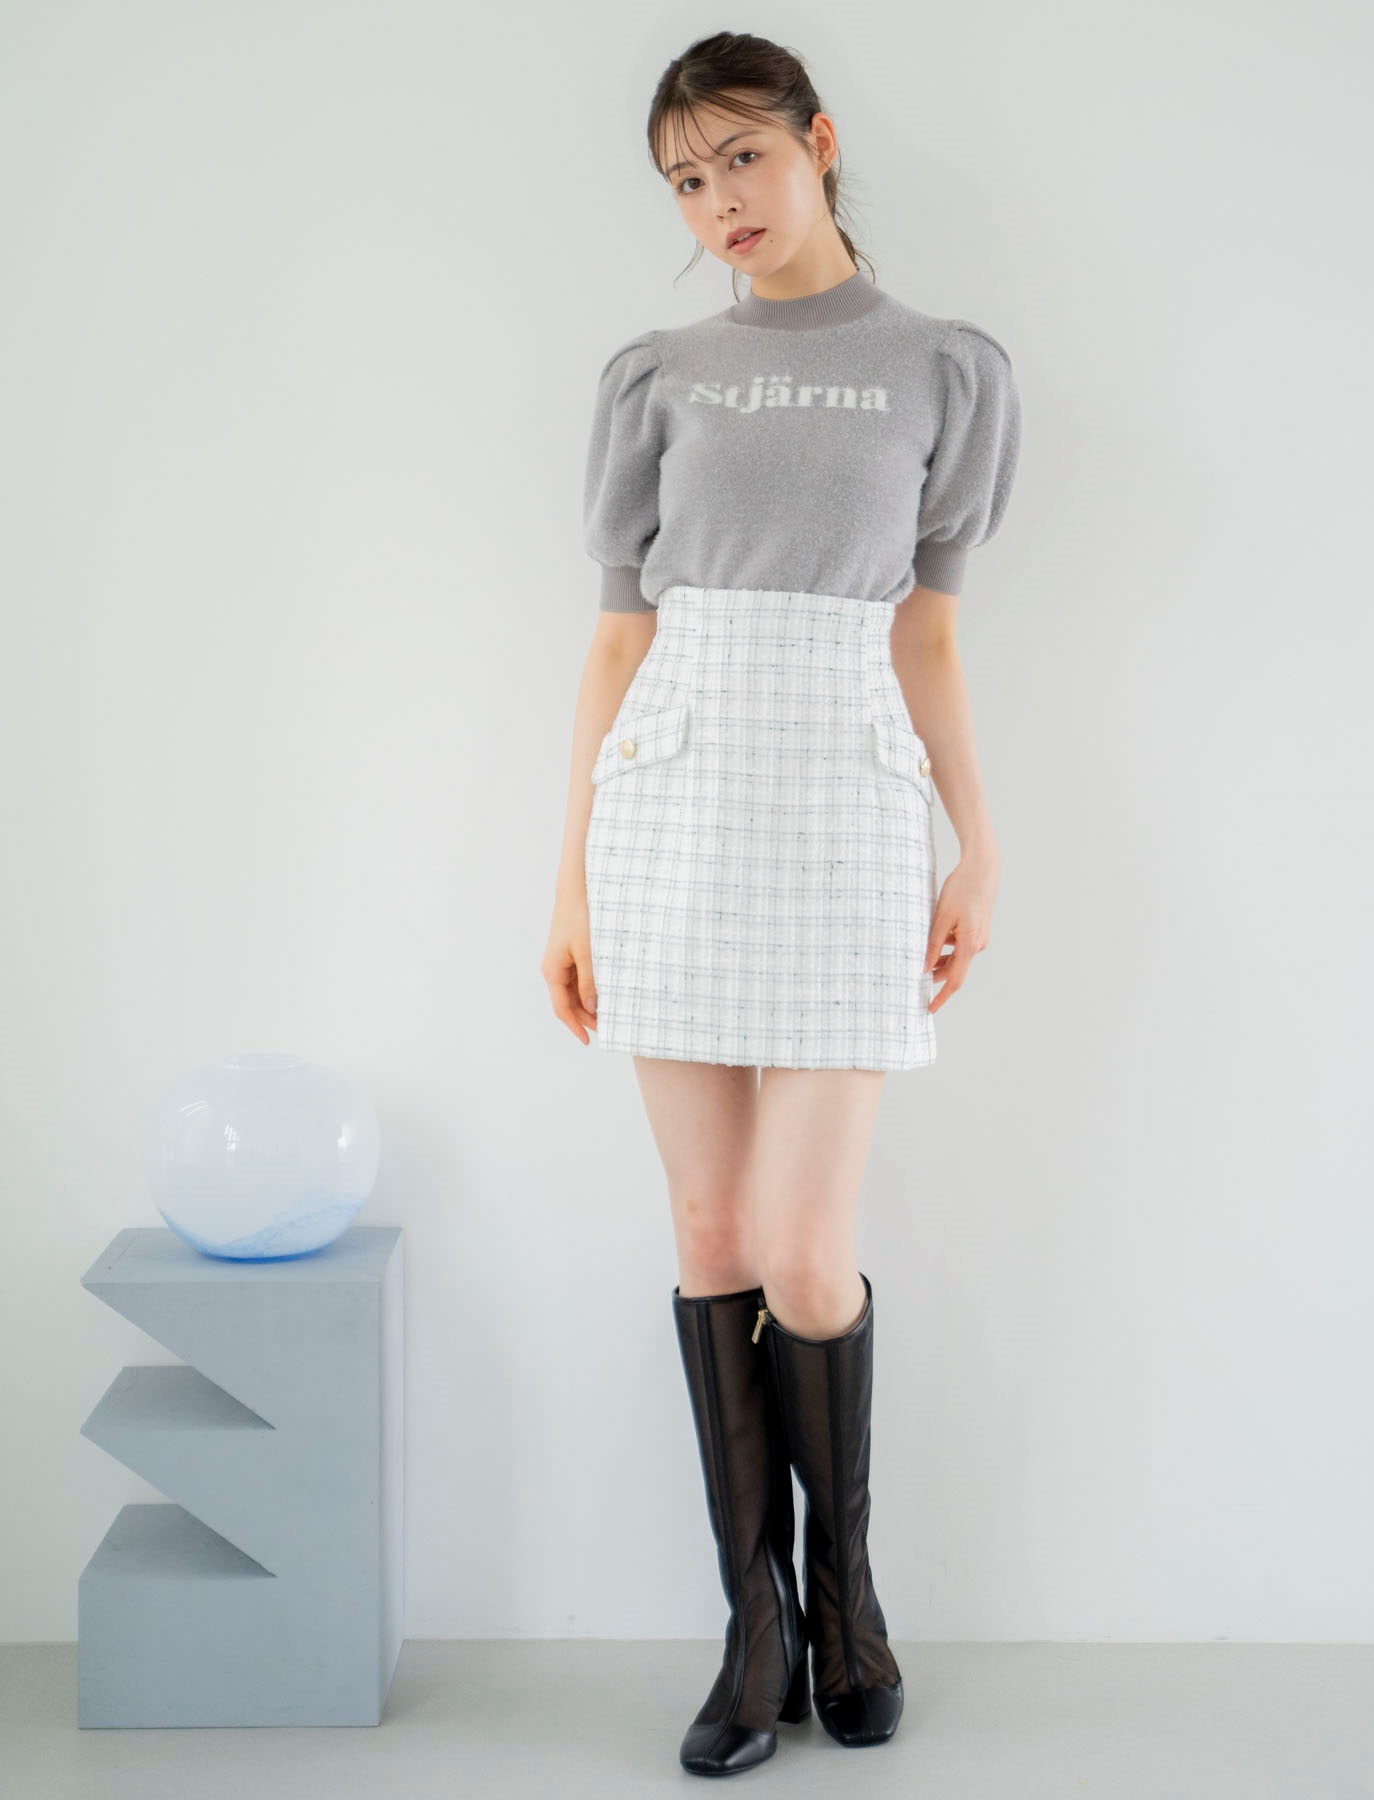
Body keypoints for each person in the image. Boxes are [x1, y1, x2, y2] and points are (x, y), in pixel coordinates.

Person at [541, 30, 1021, 1779]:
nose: (718, 202)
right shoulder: (655, 375)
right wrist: (571, 877)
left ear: (818, 141)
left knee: (807, 1248)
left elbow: (931, 634)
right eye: (685, 180)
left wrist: (977, 845)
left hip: (846, 802)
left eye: (741, 157)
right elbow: (617, 642)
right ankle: (755, 1630)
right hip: (671, 801)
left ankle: (849, 1601)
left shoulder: (943, 368)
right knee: (708, 1231)